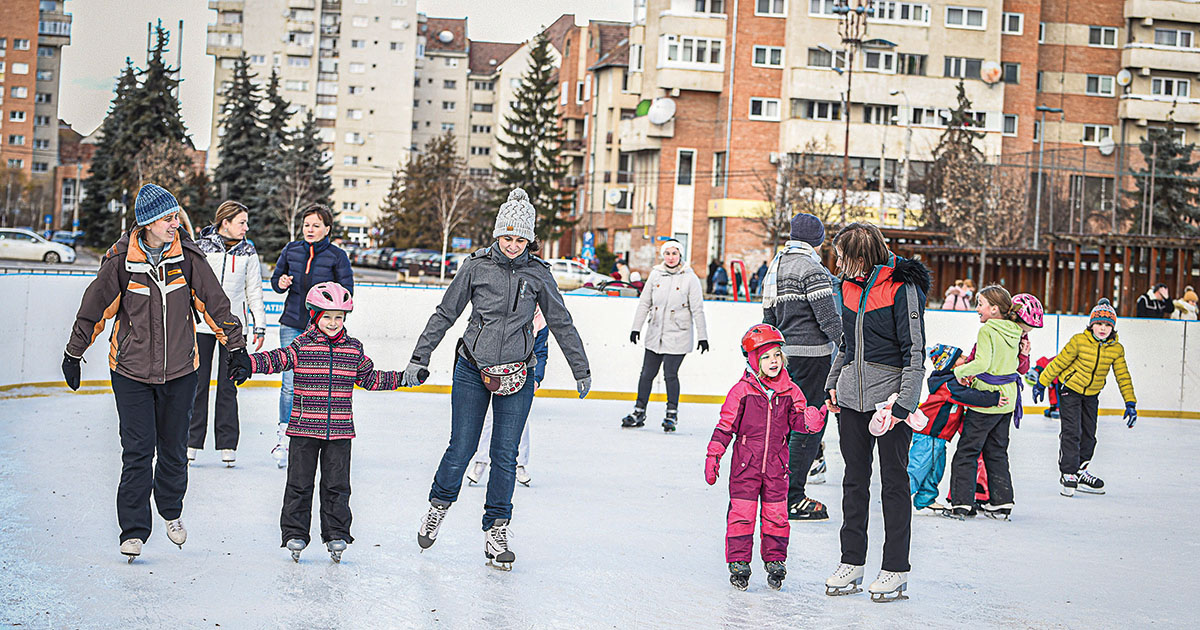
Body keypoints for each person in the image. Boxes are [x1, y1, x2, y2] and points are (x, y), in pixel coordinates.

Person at [404, 188, 591, 571]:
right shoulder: (475, 267)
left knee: (505, 455)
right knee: (462, 447)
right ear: (496, 234)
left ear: (529, 240)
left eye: (519, 239)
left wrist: (580, 368)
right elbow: (445, 313)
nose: (512, 245)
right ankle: (438, 507)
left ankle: (496, 530)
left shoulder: (538, 275)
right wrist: (419, 357)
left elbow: (561, 322)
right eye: (506, 237)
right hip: (472, 368)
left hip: (519, 372)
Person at [61, 183, 249, 562]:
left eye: (176, 216)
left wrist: (236, 346)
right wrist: (73, 352)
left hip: (180, 369)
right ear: (147, 223)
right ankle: (132, 531)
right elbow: (94, 310)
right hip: (130, 371)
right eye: (167, 218)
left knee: (174, 450)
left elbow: (216, 304)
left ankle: (171, 510)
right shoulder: (120, 261)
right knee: (137, 451)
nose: (175, 223)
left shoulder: (188, 258)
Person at [232, 282, 414, 562]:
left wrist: (404, 378)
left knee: (337, 486)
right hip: (304, 429)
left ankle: (337, 533)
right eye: (327, 316)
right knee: (299, 484)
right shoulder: (302, 345)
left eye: (339, 317)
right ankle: (295, 533)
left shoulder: (353, 349)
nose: (333, 323)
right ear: (315, 315)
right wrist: (249, 364)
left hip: (339, 432)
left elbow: (371, 378)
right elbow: (277, 359)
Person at [822, 222, 929, 602]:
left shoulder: (902, 286)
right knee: (853, 482)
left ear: (863, 256)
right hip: (852, 400)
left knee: (895, 484)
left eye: (846, 258)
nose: (840, 265)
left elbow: (915, 351)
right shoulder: (847, 287)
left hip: (890, 402)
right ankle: (851, 562)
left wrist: (905, 403)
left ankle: (895, 568)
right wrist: (833, 383)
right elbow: (847, 346)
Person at [705, 324, 826, 591]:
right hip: (745, 467)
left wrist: (811, 422)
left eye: (777, 355)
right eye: (766, 356)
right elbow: (725, 426)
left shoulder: (791, 391)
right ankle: (738, 561)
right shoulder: (742, 391)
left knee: (777, 516)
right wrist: (714, 454)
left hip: (776, 467)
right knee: (742, 514)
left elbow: (799, 420)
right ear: (753, 360)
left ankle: (775, 560)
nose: (773, 361)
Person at [761, 213, 841, 522]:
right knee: (809, 423)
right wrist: (848, 345)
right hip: (812, 357)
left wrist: (771, 354)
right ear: (818, 240)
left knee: (784, 424)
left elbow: (767, 315)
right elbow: (827, 318)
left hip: (784, 357)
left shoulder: (777, 265)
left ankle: (776, 490)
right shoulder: (811, 267)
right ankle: (792, 496)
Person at [270, 204, 354, 468]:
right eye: (307, 225)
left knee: (317, 383)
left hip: (320, 330)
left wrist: (332, 322)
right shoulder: (291, 250)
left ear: (327, 229)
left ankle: (314, 436)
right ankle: (284, 436)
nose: (310, 229)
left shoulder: (337, 256)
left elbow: (346, 291)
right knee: (289, 382)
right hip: (292, 324)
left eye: (316, 225)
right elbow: (276, 279)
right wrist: (281, 283)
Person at [188, 201, 267, 467]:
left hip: (233, 329)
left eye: (246, 222)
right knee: (196, 385)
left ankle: (227, 444)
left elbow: (253, 290)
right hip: (201, 325)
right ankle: (190, 442)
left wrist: (260, 325)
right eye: (242, 222)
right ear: (226, 223)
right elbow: (189, 285)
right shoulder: (201, 248)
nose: (246, 227)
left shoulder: (248, 252)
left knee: (228, 385)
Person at [1035, 298, 1137, 497]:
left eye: (1107, 325)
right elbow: (1059, 363)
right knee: (1072, 432)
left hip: (1091, 395)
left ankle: (1081, 470)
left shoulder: (1116, 349)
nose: (1102, 328)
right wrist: (1042, 382)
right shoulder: (1078, 341)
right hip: (1069, 390)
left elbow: (1123, 376)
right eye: (1099, 323)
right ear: (1091, 324)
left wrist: (1130, 402)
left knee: (1089, 435)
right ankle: (1068, 473)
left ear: (1113, 328)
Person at [944, 286, 1024, 521]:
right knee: (997, 451)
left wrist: (960, 372)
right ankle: (1001, 502)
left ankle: (962, 503)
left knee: (967, 451)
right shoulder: (1014, 330)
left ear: (994, 309)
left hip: (986, 400)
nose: (977, 309)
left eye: (980, 304)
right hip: (1008, 400)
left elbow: (982, 363)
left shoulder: (988, 330)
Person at [621, 239, 709, 432]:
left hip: (679, 334)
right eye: (667, 253)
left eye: (674, 253)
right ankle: (639, 410)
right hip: (655, 333)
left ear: (680, 255)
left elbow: (698, 309)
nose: (671, 257)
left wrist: (703, 336)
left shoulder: (689, 277)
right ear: (663, 256)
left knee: (670, 374)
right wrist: (636, 327)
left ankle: (671, 413)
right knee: (647, 374)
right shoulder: (656, 275)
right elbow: (644, 303)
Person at [909, 345, 1003, 514]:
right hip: (928, 435)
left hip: (939, 437)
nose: (966, 358)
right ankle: (898, 494)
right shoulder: (948, 384)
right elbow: (968, 397)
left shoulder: (955, 382)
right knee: (919, 468)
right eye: (961, 357)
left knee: (935, 470)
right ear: (951, 365)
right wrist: (993, 398)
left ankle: (925, 499)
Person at [467, 306, 550, 487]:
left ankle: (519, 464)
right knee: (488, 416)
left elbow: (541, 352)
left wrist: (536, 378)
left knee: (521, 419)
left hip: (521, 375)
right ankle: (481, 462)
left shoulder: (541, 321)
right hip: (493, 371)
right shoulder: (503, 308)